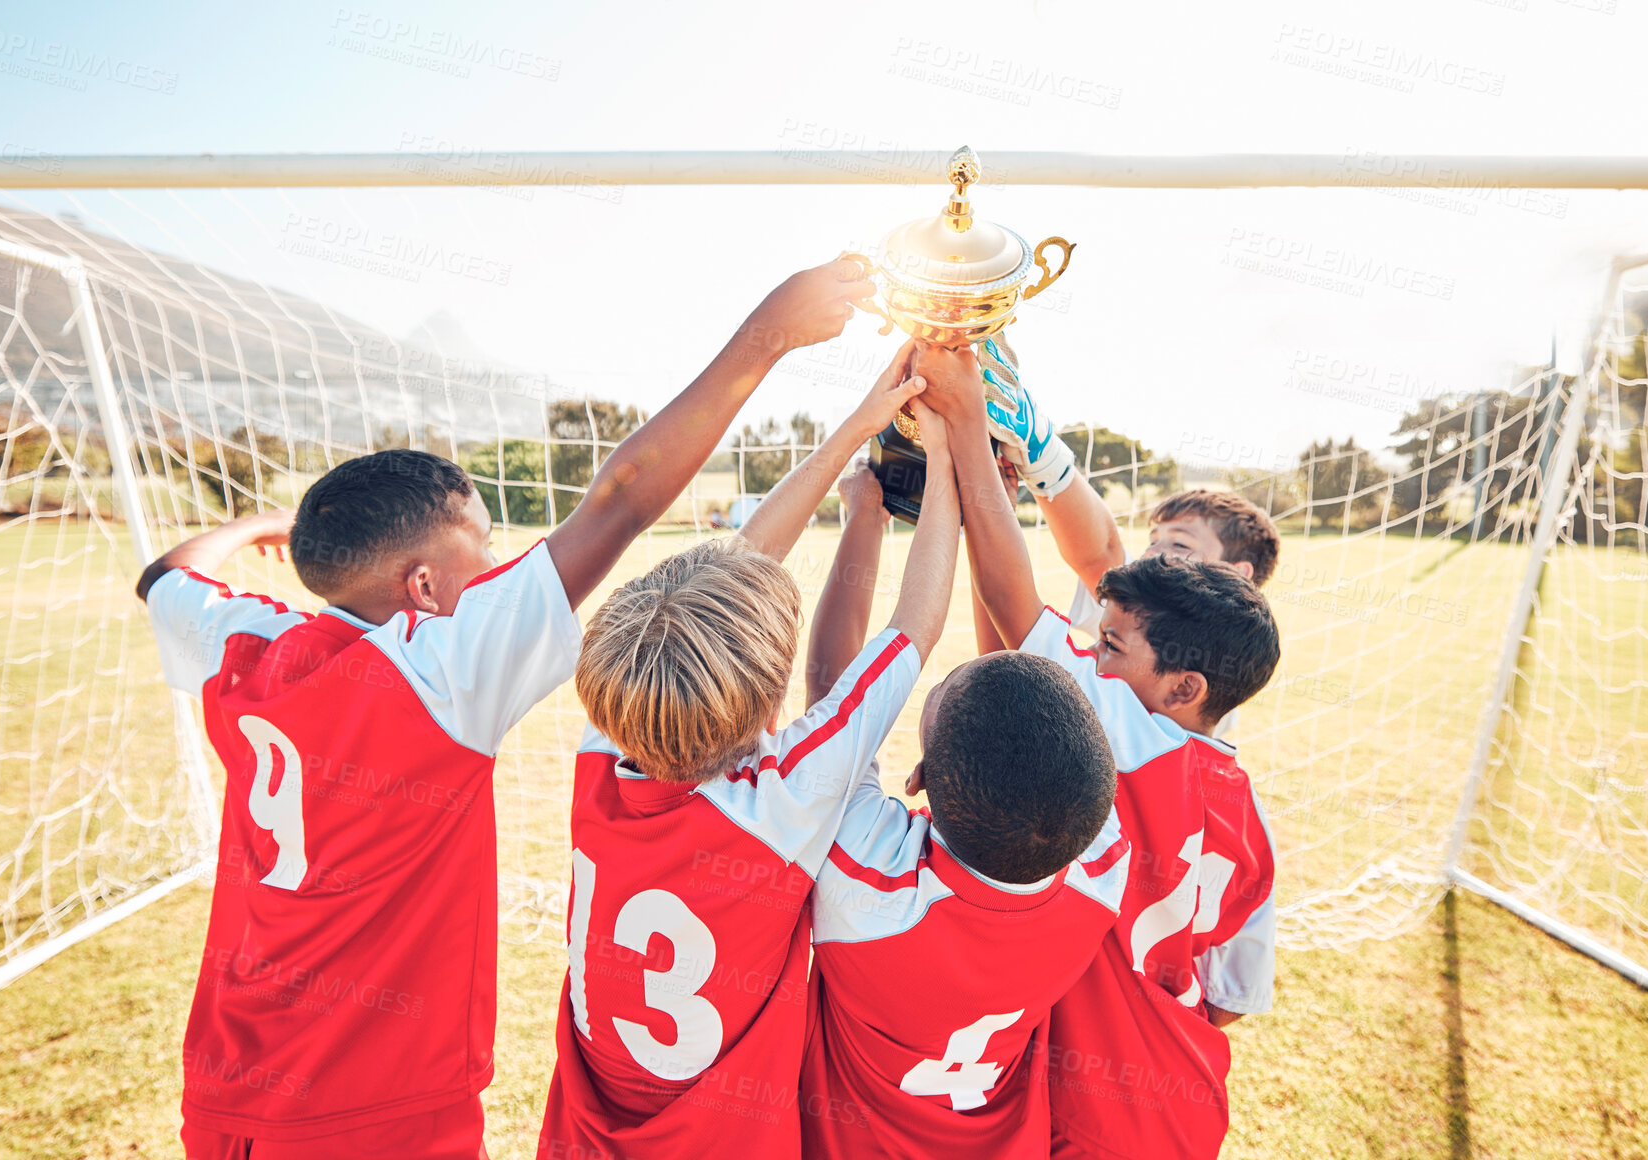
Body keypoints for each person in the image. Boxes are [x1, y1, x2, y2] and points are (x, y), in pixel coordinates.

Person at [140, 258, 877, 1160]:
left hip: (226, 1092)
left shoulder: (244, 645)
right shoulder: (436, 671)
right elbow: (620, 499)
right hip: (373, 1113)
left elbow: (166, 575)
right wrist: (768, 335)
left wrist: (257, 533)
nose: (495, 572)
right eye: (480, 553)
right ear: (420, 585)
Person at [537, 350, 960, 1159]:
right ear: (770, 704)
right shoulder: (787, 795)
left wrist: (855, 440)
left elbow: (740, 565)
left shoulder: (609, 743)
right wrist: (945, 458)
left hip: (590, 1134)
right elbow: (915, 627)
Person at [916, 343, 1281, 1160]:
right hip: (1177, 1098)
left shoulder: (1132, 730)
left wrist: (972, 431)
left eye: (1108, 649)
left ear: (1182, 687)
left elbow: (1017, 607)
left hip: (1084, 1101)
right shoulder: (1245, 812)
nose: (1097, 660)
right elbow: (1229, 998)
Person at [795, 447, 1125, 1160]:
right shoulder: (1101, 863)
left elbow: (833, 701)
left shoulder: (867, 887)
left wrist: (864, 518)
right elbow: (1013, 670)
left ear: (914, 780)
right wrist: (987, 508)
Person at [972, 338, 1280, 739]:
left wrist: (1034, 448)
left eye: (1180, 545)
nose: (1154, 553)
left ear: (1237, 574)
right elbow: (1003, 658)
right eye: (1154, 540)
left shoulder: (1181, 687)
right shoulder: (1136, 645)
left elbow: (1100, 556)